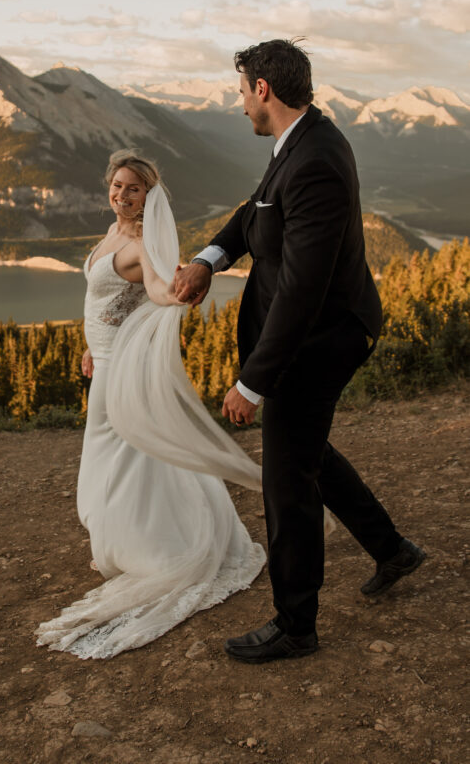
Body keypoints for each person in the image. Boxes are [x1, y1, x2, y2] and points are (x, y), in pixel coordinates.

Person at [175, 39, 426, 664]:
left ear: (263, 89)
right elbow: (254, 213)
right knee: (305, 449)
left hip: (324, 334)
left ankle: (296, 623)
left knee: (286, 473)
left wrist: (254, 382)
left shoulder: (313, 157)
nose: (240, 107)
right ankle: (392, 550)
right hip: (318, 327)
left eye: (241, 93)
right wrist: (211, 260)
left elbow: (303, 289)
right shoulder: (299, 139)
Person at [35, 150, 266, 659]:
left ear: (149, 195)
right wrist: (90, 344)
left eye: (133, 189)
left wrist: (184, 286)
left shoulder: (141, 244)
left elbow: (159, 291)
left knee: (128, 454)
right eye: (116, 186)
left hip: (124, 371)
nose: (122, 195)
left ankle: (148, 548)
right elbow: (104, 301)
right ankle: (135, 538)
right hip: (106, 360)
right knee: (119, 453)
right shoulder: (113, 236)